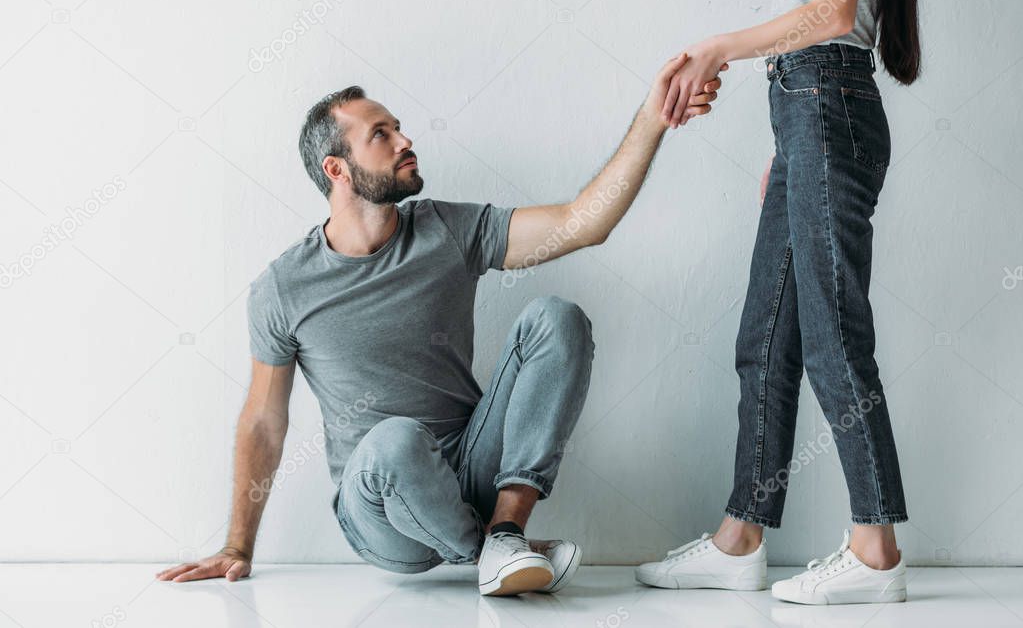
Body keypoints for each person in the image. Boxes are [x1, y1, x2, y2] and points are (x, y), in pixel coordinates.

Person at [155, 57, 724, 595]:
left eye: (399, 128)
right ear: (337, 169)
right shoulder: (284, 287)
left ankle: (504, 535)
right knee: (394, 439)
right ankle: (494, 554)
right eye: (381, 134)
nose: (406, 141)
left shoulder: (445, 230)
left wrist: (654, 119)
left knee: (557, 317)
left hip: (471, 474)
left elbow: (580, 223)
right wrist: (237, 544)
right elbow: (263, 419)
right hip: (381, 511)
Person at [636, 0, 920, 605]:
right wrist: (787, 148)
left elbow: (831, 10)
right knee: (764, 341)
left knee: (832, 337)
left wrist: (717, 47)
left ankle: (875, 548)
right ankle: (739, 538)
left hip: (822, 99)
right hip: (807, 108)